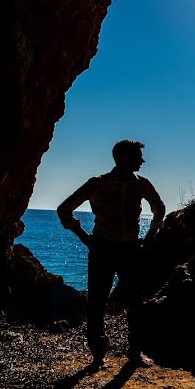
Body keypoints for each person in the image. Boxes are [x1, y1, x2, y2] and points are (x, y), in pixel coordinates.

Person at [57, 140, 165, 368]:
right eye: (137, 156)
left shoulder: (142, 184)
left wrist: (150, 237)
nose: (142, 160)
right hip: (102, 247)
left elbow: (159, 208)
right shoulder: (98, 183)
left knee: (136, 302)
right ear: (123, 158)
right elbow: (64, 209)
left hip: (130, 248)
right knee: (97, 301)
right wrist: (84, 236)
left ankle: (135, 353)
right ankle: (98, 355)